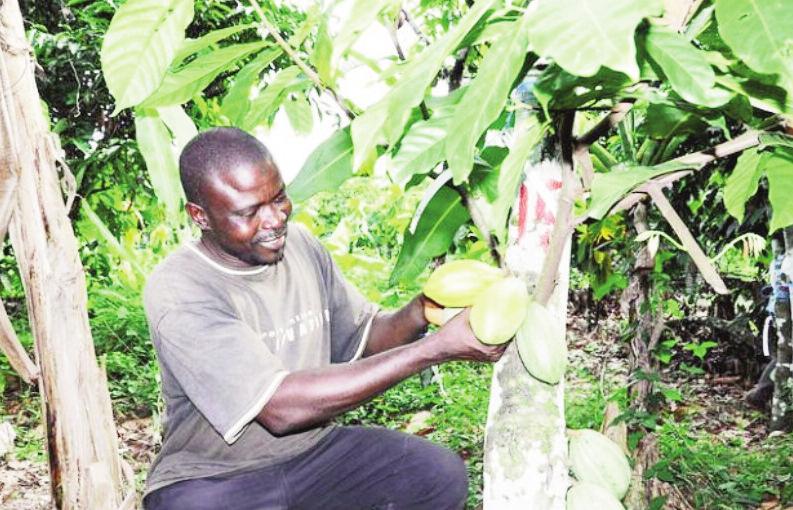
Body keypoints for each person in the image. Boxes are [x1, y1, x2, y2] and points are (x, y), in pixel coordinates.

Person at [141, 127, 506, 510]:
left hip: (312, 453)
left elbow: (365, 338)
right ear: (201, 216)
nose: (274, 220)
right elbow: (280, 410)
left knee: (435, 476)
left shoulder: (300, 246)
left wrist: (421, 310)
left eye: (279, 198)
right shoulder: (179, 288)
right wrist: (435, 350)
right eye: (249, 212)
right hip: (213, 479)